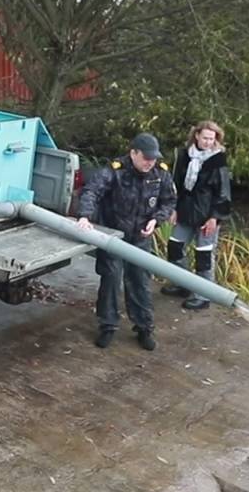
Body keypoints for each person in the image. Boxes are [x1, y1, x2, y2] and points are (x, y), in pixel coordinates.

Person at [76, 132, 177, 350]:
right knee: (111, 279)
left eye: (153, 158)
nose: (150, 162)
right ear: (133, 153)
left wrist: (156, 220)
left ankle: (144, 328)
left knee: (139, 281)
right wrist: (84, 215)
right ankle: (107, 326)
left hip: (140, 237)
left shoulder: (160, 173)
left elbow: (169, 201)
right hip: (113, 236)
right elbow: (91, 191)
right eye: (146, 158)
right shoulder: (115, 171)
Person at [163, 119, 233, 311]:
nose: (208, 142)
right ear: (196, 136)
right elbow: (176, 184)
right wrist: (174, 208)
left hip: (207, 216)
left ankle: (203, 295)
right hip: (185, 211)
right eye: (205, 138)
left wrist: (215, 218)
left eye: (212, 139)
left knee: (204, 256)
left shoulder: (218, 161)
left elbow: (224, 193)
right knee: (175, 247)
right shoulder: (184, 156)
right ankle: (182, 283)